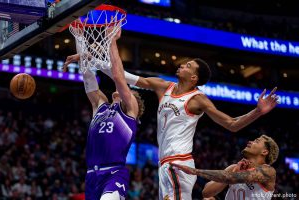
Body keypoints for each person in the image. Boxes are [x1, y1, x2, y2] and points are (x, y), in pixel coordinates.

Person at [65, 31, 278, 200]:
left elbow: (231, 124)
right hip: (164, 163)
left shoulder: (198, 99)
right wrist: (90, 59)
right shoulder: (163, 86)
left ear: (194, 77)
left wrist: (257, 111)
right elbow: (123, 76)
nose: (182, 65)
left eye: (187, 66)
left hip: (179, 161)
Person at [63, 30, 144, 200]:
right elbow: (88, 76)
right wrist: (78, 36)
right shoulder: (100, 106)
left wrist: (97, 52)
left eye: (129, 92)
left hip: (114, 174)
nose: (122, 91)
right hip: (91, 175)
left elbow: (120, 79)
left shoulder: (130, 112)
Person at [171, 135, 279, 200]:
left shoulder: (268, 171)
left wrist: (194, 171)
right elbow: (206, 192)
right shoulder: (234, 168)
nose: (250, 141)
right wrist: (233, 171)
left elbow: (231, 178)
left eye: (256, 141)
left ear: (265, 152)